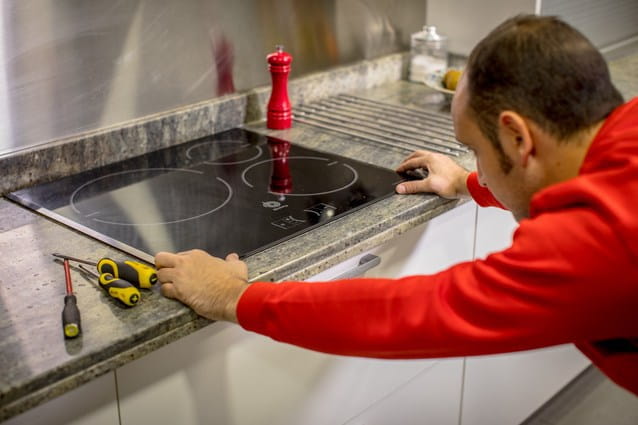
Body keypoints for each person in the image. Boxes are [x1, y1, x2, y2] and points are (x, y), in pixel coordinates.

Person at [155, 15, 638, 395]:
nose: (479, 166)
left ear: (517, 137)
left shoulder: (600, 242)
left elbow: (420, 312)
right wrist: (473, 184)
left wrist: (233, 297)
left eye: (475, 149)